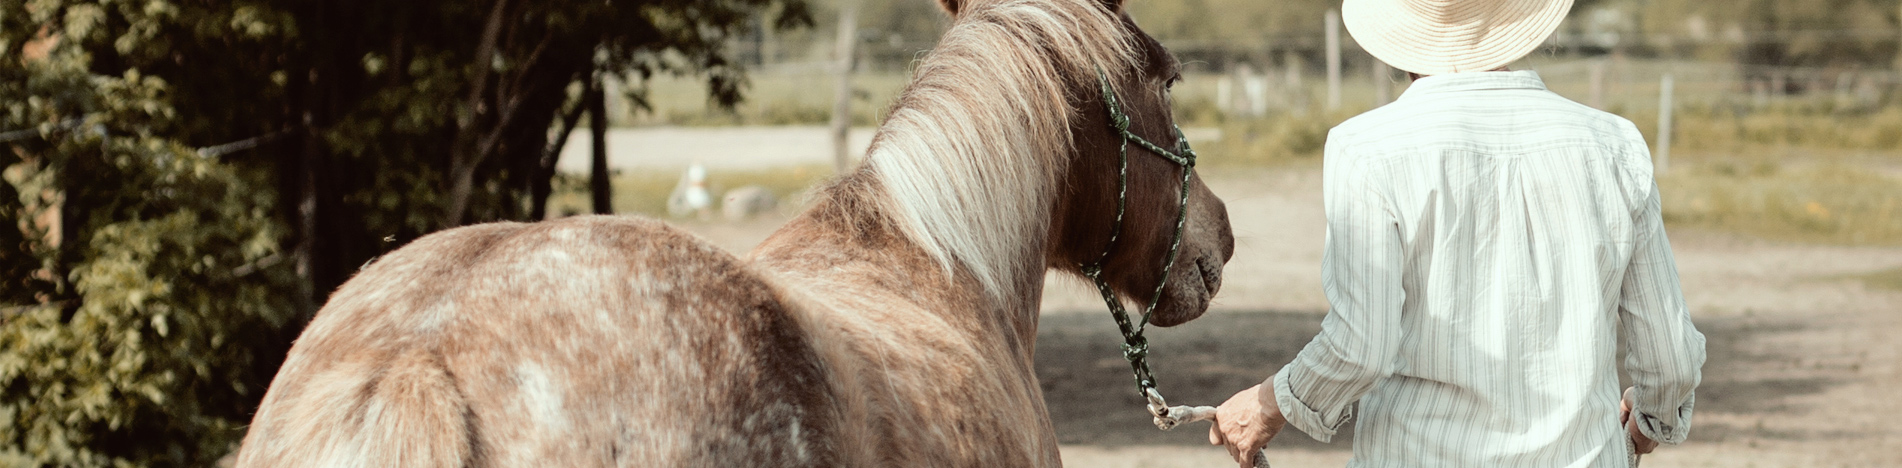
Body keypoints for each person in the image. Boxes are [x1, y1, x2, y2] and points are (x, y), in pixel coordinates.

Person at [1205, 0, 1707, 466]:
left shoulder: (1366, 150)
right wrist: (1651, 419)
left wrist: (1266, 406)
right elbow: (1671, 356)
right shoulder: (1614, 145)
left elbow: (1361, 344)